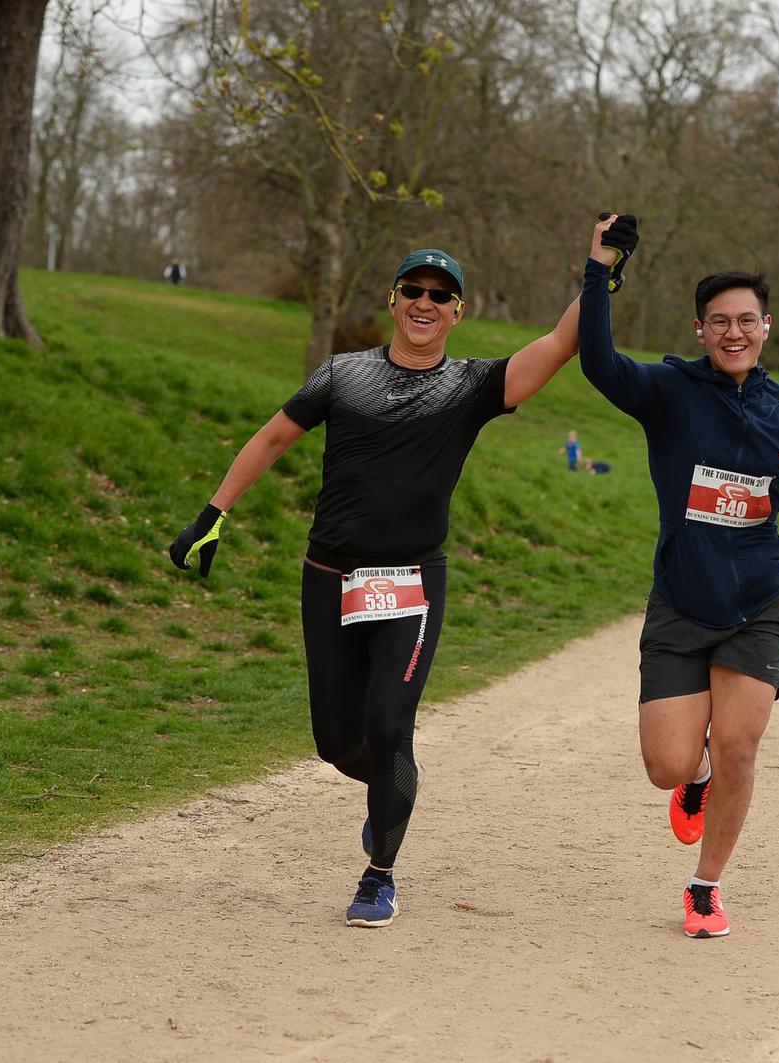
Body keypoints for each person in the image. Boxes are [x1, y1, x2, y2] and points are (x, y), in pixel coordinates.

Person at [168, 236, 635, 928]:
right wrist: (213, 513)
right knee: (336, 741)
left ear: (457, 313)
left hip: (412, 581)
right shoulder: (342, 374)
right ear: (392, 301)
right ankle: (394, 790)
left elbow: (562, 342)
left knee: (389, 725)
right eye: (412, 291)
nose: (424, 303)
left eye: (439, 296)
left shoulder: (475, 385)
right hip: (329, 575)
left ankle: (378, 874)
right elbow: (271, 438)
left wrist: (601, 270)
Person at [577, 214, 779, 939]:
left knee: (741, 745)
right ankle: (697, 778)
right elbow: (597, 361)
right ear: (700, 330)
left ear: (767, 326)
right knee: (667, 763)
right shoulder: (669, 394)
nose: (734, 332)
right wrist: (600, 268)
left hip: (758, 605)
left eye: (747, 319)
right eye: (720, 321)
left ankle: (705, 886)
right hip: (683, 603)